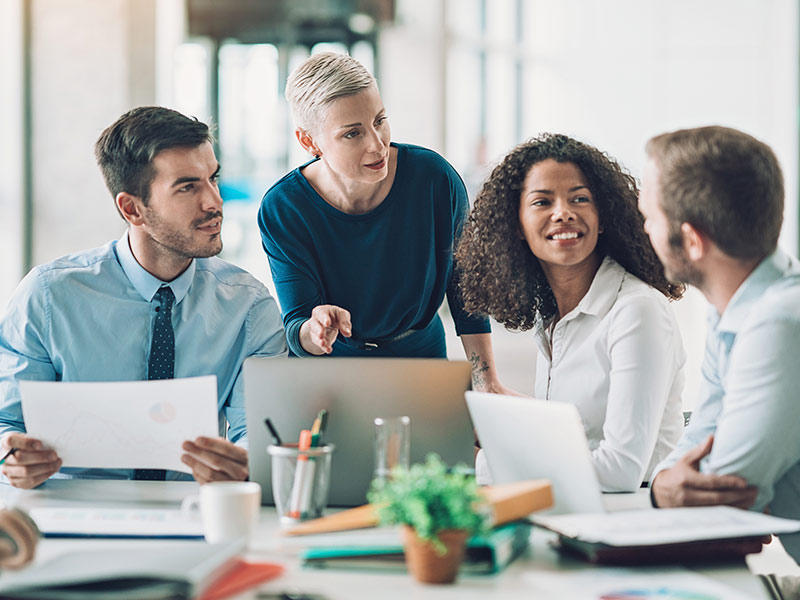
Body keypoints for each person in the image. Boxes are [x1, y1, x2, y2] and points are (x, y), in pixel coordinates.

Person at [0, 106, 287, 488]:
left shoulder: (248, 308)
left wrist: (246, 460)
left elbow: (259, 430)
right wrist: (10, 453)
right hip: (68, 509)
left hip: (195, 510)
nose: (214, 202)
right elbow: (7, 422)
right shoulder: (49, 296)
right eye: (188, 187)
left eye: (213, 178)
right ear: (132, 208)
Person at [258, 52, 509, 392]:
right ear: (309, 141)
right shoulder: (284, 208)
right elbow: (297, 323)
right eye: (352, 134)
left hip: (422, 358)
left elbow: (466, 288)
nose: (377, 145)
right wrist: (315, 331)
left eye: (379, 121)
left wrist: (486, 382)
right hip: (332, 376)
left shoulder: (434, 179)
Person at [456, 133, 685, 491]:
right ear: (515, 224)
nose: (563, 213)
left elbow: (620, 469)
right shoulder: (553, 320)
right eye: (542, 202)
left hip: (633, 521)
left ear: (603, 216)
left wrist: (482, 463)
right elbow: (574, 438)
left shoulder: (637, 310)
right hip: (572, 515)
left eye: (580, 199)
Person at [640, 126, 800, 562]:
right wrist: (660, 486)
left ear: (692, 241)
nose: (644, 229)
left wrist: (666, 488)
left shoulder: (779, 323)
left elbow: (727, 494)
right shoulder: (733, 307)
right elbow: (698, 447)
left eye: (650, 218)